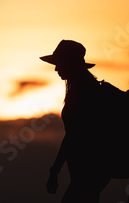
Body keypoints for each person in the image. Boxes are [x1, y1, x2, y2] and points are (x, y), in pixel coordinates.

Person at [40, 40, 112, 203]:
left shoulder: (82, 92)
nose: (56, 68)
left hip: (88, 172)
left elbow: (72, 136)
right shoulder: (85, 88)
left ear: (69, 64)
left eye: (59, 63)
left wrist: (54, 171)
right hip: (93, 171)